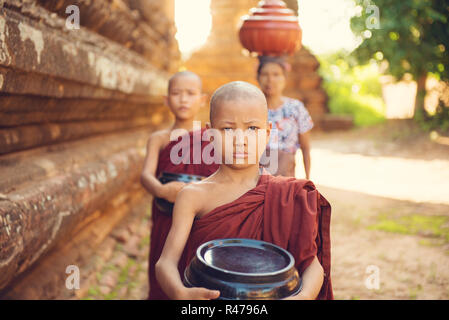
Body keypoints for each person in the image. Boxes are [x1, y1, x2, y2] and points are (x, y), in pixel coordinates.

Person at [155, 81, 332, 300]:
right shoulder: (193, 196)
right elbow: (166, 262)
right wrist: (180, 292)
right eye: (227, 129)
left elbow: (313, 266)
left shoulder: (288, 195)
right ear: (210, 135)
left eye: (252, 128)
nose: (240, 140)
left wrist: (301, 297)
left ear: (267, 133)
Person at [140, 71, 219, 300]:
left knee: (194, 264)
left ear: (202, 99)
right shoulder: (159, 138)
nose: (183, 99)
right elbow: (146, 175)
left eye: (190, 94)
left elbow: (219, 177)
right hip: (165, 213)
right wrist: (162, 190)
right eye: (176, 93)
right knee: (163, 260)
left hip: (199, 218)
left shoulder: (211, 137)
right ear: (166, 100)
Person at [257, 55, 313, 178]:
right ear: (258, 78)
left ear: (284, 78)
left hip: (286, 178)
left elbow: (305, 148)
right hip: (256, 180)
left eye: (276, 74)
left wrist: (308, 180)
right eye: (265, 74)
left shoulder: (296, 108)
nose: (270, 79)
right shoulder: (251, 109)